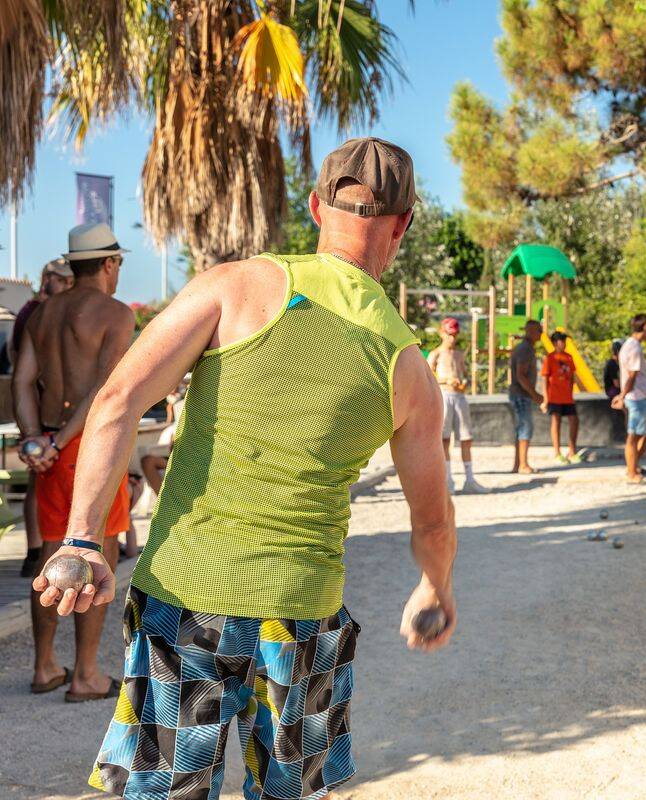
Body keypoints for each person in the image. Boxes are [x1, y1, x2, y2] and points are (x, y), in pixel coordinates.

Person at [32, 138, 457, 799]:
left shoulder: (236, 286)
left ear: (316, 208)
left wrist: (83, 537)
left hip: (181, 599)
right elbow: (432, 522)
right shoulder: (408, 367)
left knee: (162, 790)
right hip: (300, 617)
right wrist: (435, 587)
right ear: (403, 224)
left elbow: (117, 400)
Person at [15, 224, 134, 701]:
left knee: (50, 555)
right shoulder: (116, 314)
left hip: (48, 448)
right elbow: (105, 390)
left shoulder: (42, 316)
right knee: (98, 554)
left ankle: (45, 667)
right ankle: (85, 674)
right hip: (89, 447)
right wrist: (64, 442)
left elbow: (22, 382)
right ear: (108, 265)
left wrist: (35, 442)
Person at [12, 258, 75, 578]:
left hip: (48, 414)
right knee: (38, 483)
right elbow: (22, 373)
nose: (66, 285)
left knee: (42, 483)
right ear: (47, 278)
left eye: (69, 281)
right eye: (61, 280)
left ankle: (41, 551)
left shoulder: (49, 312)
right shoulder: (34, 313)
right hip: (40, 412)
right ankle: (36, 551)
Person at [428, 316, 487, 494]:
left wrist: (464, 382)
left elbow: (465, 374)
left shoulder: (459, 354)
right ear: (442, 333)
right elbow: (429, 377)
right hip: (444, 395)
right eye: (449, 334)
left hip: (460, 396)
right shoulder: (435, 354)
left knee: (466, 438)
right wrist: (446, 380)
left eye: (455, 335)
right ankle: (448, 480)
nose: (452, 339)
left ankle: (469, 479)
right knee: (444, 439)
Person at [612, 314, 646, 484]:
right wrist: (622, 396)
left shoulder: (632, 345)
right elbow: (631, 376)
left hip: (643, 397)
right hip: (637, 398)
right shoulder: (633, 347)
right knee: (633, 436)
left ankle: (633, 464)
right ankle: (632, 473)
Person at [509, 318, 544, 473]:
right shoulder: (525, 349)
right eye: (539, 330)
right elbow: (521, 375)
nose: (541, 334)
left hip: (520, 394)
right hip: (521, 395)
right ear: (530, 331)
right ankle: (523, 464)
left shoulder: (526, 348)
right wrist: (534, 394)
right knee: (525, 428)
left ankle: (518, 464)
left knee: (521, 429)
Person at [541, 331, 580, 464]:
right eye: (560, 341)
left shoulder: (569, 357)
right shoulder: (550, 358)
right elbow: (545, 379)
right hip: (554, 397)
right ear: (554, 343)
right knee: (556, 422)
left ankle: (572, 450)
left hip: (568, 397)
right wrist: (546, 399)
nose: (563, 344)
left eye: (564, 341)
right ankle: (557, 452)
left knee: (574, 421)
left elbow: (572, 377)